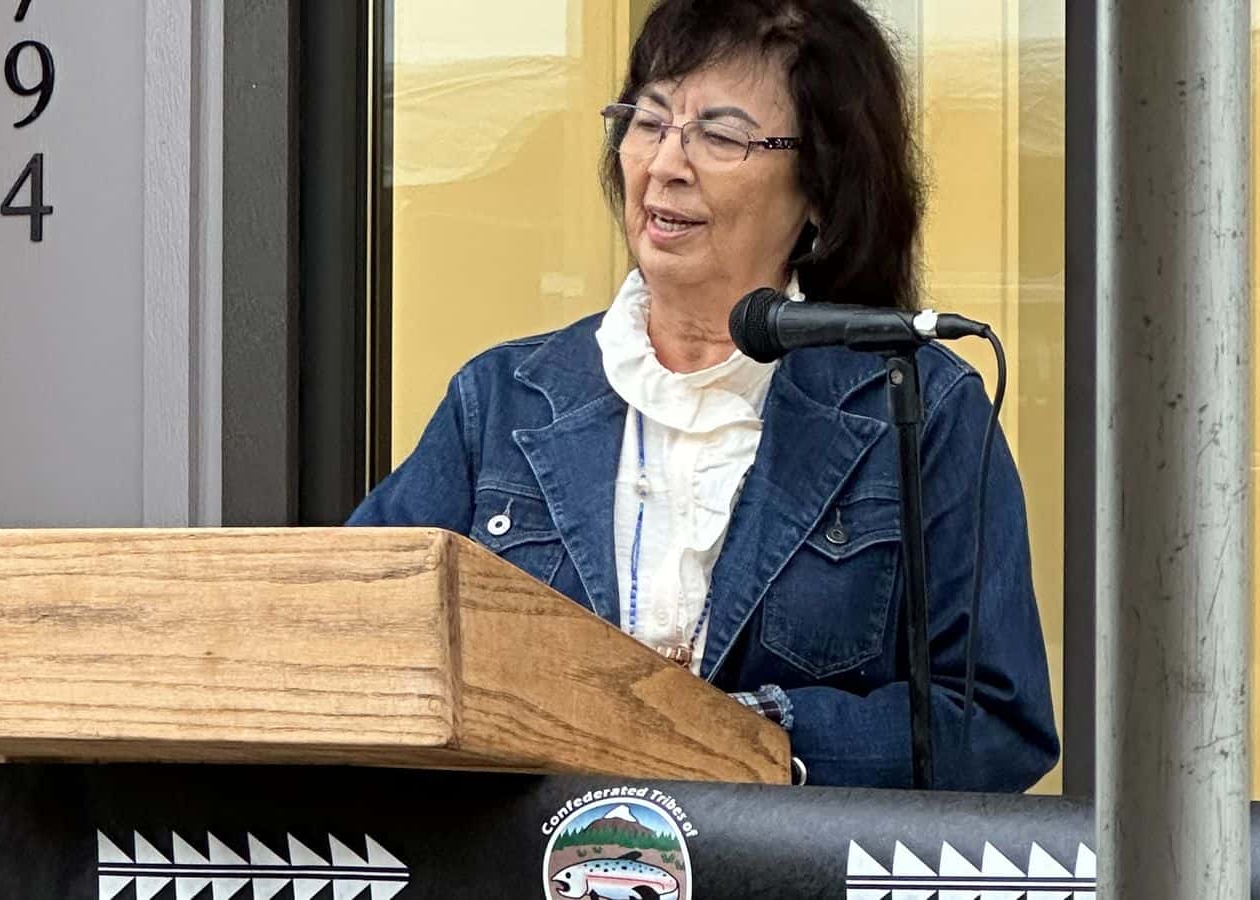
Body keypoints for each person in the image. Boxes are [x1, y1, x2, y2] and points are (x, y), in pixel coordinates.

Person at [349, 0, 1058, 791]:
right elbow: (352, 641)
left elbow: (996, 721)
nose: (666, 164)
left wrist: (751, 738)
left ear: (820, 190)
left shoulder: (916, 407)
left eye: (719, 136)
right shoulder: (503, 401)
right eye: (649, 123)